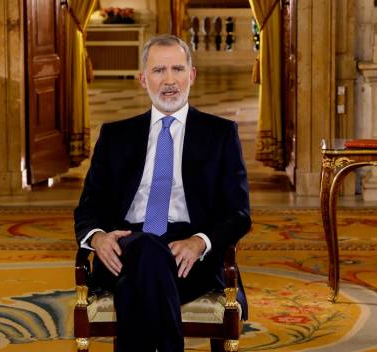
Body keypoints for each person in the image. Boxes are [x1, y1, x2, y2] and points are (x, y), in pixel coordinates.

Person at [74, 34, 251, 352]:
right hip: (125, 245)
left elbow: (239, 214)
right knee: (144, 250)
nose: (169, 80)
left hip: (189, 255)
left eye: (177, 69)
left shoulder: (220, 134)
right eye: (158, 71)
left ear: (191, 75)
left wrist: (200, 242)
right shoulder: (115, 136)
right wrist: (99, 238)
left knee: (138, 277)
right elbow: (88, 207)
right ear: (143, 79)